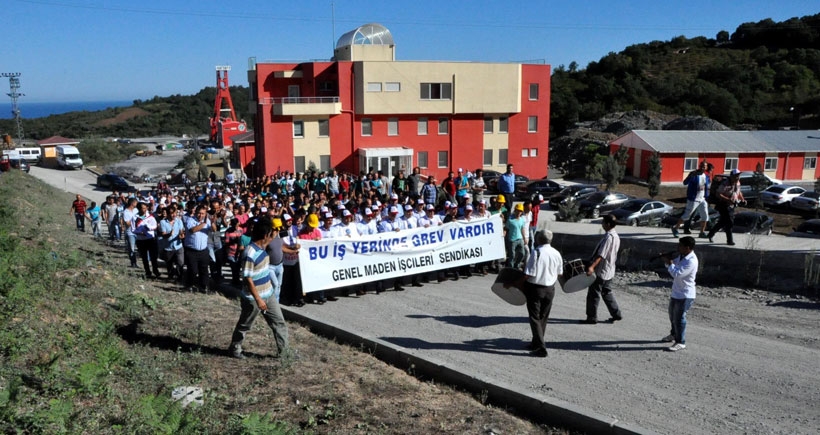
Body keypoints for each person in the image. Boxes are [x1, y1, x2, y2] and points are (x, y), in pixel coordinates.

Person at [228, 217, 291, 360]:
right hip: (254, 299)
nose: (273, 235)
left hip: (268, 294)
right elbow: (247, 278)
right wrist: (258, 299)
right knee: (245, 325)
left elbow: (275, 240)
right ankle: (235, 348)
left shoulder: (263, 247)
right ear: (265, 235)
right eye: (271, 233)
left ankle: (285, 353)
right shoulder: (249, 253)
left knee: (279, 323)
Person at [513, 229, 562, 358]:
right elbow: (560, 273)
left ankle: (541, 347)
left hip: (536, 289)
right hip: (550, 289)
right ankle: (536, 343)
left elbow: (529, 273)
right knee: (543, 317)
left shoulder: (537, 252)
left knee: (534, 318)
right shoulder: (557, 253)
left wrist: (517, 283)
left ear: (539, 239)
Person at [583, 214, 623, 324]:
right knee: (607, 292)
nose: (602, 224)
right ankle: (616, 314)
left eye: (603, 222)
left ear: (608, 224)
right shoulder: (616, 236)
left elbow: (601, 255)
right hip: (610, 270)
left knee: (593, 294)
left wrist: (591, 267)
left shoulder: (608, 238)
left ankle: (591, 317)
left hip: (601, 271)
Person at [661, 236, 699, 352]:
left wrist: (669, 263)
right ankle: (673, 335)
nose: (678, 247)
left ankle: (680, 342)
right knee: (672, 316)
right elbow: (673, 265)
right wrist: (667, 260)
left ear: (687, 248)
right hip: (676, 292)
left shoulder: (691, 261)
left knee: (679, 318)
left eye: (680, 245)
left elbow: (677, 273)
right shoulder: (682, 257)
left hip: (685, 294)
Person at [672, 160, 711, 238]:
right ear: (699, 166)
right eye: (702, 165)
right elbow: (685, 182)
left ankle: (702, 232)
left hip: (702, 199)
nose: (703, 167)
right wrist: (690, 176)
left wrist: (706, 197)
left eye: (705, 166)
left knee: (705, 216)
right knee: (687, 215)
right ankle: (675, 228)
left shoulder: (706, 176)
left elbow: (706, 187)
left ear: (706, 167)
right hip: (693, 199)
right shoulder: (694, 175)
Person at [707, 169, 744, 246]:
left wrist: (742, 199)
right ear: (731, 176)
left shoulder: (737, 183)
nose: (738, 177)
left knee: (723, 222)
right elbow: (718, 194)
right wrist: (727, 200)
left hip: (732, 205)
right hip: (723, 205)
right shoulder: (725, 184)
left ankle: (711, 234)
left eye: (738, 175)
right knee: (729, 222)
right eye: (736, 175)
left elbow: (738, 192)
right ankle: (730, 240)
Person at [504, 203, 527, 269]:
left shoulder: (522, 220)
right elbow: (506, 228)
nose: (519, 212)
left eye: (520, 211)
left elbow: (522, 228)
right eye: (517, 210)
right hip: (512, 240)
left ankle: (517, 264)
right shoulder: (510, 220)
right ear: (515, 210)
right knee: (512, 255)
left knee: (522, 253)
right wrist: (504, 234)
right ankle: (511, 268)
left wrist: (524, 238)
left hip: (520, 239)